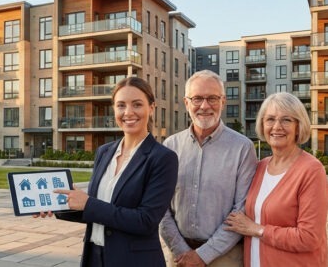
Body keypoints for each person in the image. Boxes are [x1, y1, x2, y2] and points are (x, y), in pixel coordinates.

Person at [40, 76, 179, 266]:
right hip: (95, 257)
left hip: (134, 261)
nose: (128, 112)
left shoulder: (163, 158)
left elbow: (146, 221)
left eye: (137, 104)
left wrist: (88, 203)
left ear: (151, 108)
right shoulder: (104, 152)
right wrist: (58, 206)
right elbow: (97, 211)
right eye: (121, 105)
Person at [159, 70, 258, 267]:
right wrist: (181, 250)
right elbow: (160, 207)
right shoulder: (170, 146)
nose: (204, 106)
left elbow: (242, 210)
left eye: (212, 98)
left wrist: (203, 255)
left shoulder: (243, 148)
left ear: (223, 102)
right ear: (186, 103)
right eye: (197, 99)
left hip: (225, 257)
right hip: (177, 255)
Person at [224, 92, 328, 267]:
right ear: (262, 125)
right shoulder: (260, 167)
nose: (277, 126)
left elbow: (309, 237)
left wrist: (257, 229)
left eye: (286, 120)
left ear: (298, 126)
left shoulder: (311, 171)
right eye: (270, 119)